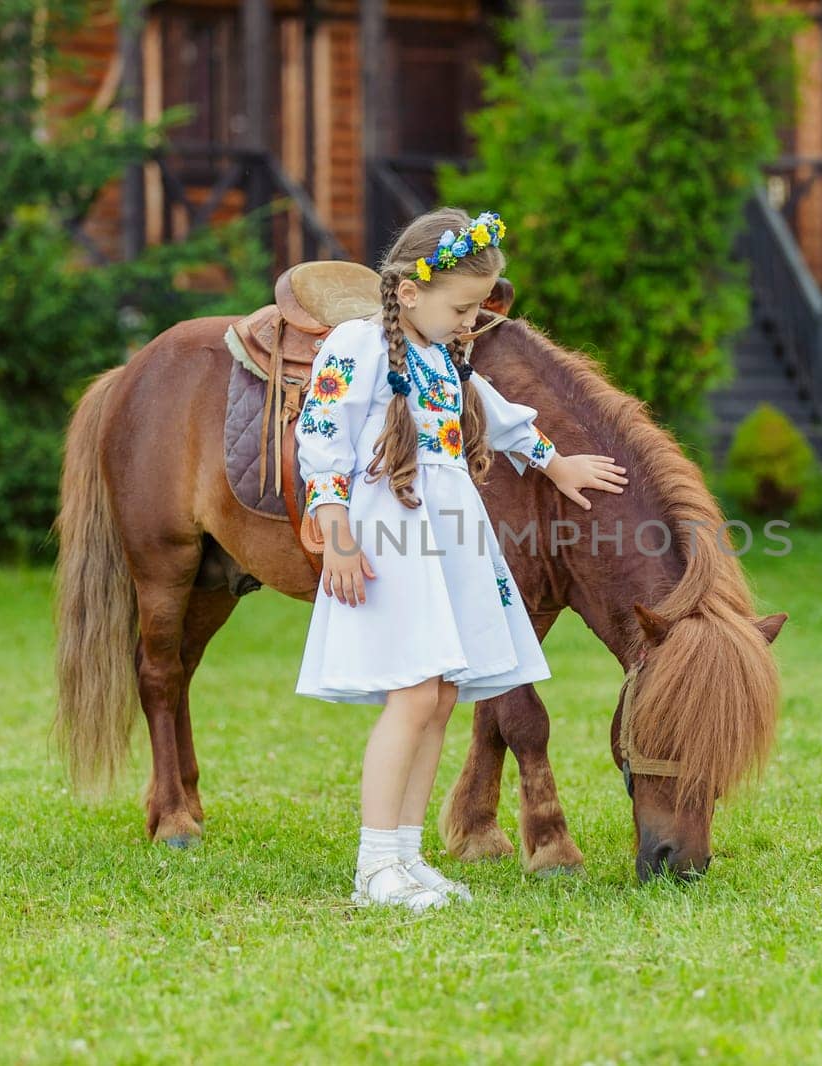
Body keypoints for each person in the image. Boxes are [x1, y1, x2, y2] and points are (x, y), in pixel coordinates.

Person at [294, 207, 630, 910]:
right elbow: (321, 434)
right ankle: (374, 865)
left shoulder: (440, 359)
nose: (471, 322)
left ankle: (408, 856)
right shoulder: (358, 345)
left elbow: (497, 413)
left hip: (450, 537)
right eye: (463, 307)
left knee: (443, 694)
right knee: (414, 693)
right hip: (392, 535)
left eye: (478, 309)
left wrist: (554, 462)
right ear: (411, 292)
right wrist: (337, 530)